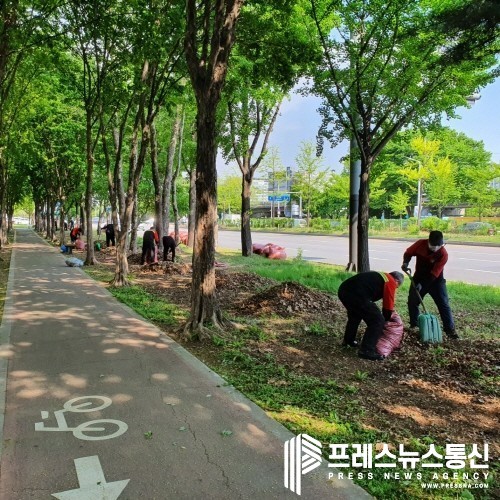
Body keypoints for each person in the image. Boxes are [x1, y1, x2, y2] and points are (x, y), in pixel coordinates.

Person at [402, 230, 458, 339]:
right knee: (413, 301)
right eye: (433, 246)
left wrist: (422, 285)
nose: (436, 248)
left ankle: (450, 330)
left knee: (443, 304)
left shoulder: (443, 254)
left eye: (439, 246)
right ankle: (414, 325)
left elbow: (434, 274)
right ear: (428, 241)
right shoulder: (420, 244)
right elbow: (408, 253)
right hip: (418, 277)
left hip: (436, 281)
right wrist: (405, 263)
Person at [338, 271, 405, 361]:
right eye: (397, 287)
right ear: (397, 281)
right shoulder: (391, 281)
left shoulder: (382, 276)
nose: (395, 288)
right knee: (377, 321)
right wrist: (386, 318)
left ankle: (348, 340)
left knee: (355, 315)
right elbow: (388, 304)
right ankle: (367, 350)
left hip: (344, 290)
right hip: (357, 294)